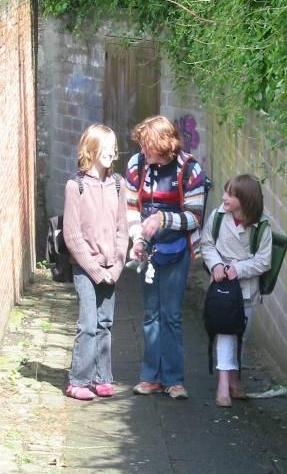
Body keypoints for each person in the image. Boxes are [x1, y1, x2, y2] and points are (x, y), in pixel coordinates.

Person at [126, 115, 205, 400]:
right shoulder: (136, 165)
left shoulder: (190, 170)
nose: (143, 151)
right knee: (151, 314)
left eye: (148, 146)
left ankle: (174, 380)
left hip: (177, 250)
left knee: (171, 315)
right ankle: (150, 378)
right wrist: (138, 239)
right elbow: (132, 207)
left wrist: (162, 219)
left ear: (163, 144)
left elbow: (195, 217)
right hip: (149, 250)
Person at [63, 124, 128, 400]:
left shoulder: (118, 184)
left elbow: (122, 230)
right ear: (91, 148)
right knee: (88, 324)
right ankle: (78, 380)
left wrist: (116, 267)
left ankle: (102, 378)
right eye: (106, 145)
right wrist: (94, 270)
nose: (111, 151)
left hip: (110, 269)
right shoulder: (75, 186)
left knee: (105, 324)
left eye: (114, 146)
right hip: (85, 269)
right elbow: (72, 235)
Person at [201, 175, 272, 407]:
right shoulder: (218, 216)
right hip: (222, 287)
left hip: (246, 290)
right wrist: (216, 265)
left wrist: (238, 268)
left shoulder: (262, 226)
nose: (224, 198)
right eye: (225, 192)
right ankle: (223, 385)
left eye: (230, 194)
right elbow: (207, 244)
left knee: (241, 334)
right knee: (225, 332)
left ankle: (233, 380)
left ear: (245, 199)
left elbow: (264, 261)